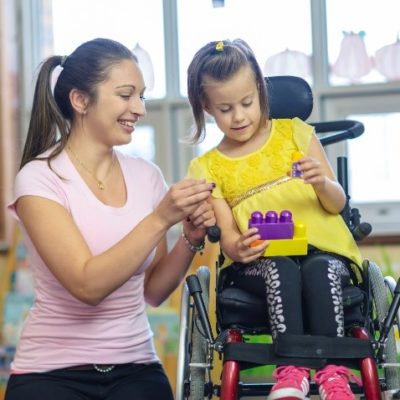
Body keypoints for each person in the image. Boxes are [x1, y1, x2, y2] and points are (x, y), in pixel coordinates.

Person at [5, 38, 216, 400]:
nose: (139, 109)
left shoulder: (146, 176)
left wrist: (189, 238)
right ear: (80, 100)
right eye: (125, 94)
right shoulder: (39, 178)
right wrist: (161, 219)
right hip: (51, 374)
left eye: (142, 96)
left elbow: (153, 291)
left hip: (136, 367)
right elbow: (87, 286)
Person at [185, 38, 363, 400]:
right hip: (260, 261)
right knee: (279, 267)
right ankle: (291, 370)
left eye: (247, 103)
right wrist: (239, 246)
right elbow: (229, 239)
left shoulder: (296, 133)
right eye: (225, 108)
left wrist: (322, 183)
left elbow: (336, 204)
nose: (239, 116)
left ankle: (334, 375)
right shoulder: (206, 167)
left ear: (260, 92)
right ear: (207, 107)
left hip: (325, 252)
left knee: (319, 269)